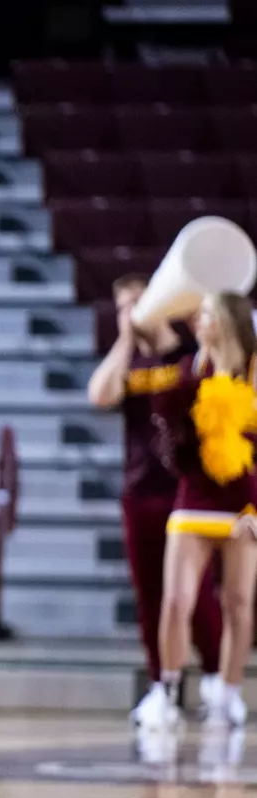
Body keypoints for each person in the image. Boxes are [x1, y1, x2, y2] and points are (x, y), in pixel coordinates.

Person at [86, 274, 223, 726]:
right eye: (123, 306)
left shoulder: (186, 356)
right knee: (151, 596)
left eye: (139, 303)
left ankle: (217, 679)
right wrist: (125, 340)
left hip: (187, 489)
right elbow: (99, 394)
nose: (133, 312)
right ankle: (162, 685)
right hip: (139, 490)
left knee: (195, 594)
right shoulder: (129, 363)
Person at [142, 292, 257, 730]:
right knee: (176, 600)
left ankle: (227, 695)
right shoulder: (190, 370)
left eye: (207, 313)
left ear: (228, 320)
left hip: (244, 502)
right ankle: (166, 690)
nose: (198, 319)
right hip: (194, 499)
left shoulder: (253, 370)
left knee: (239, 603)